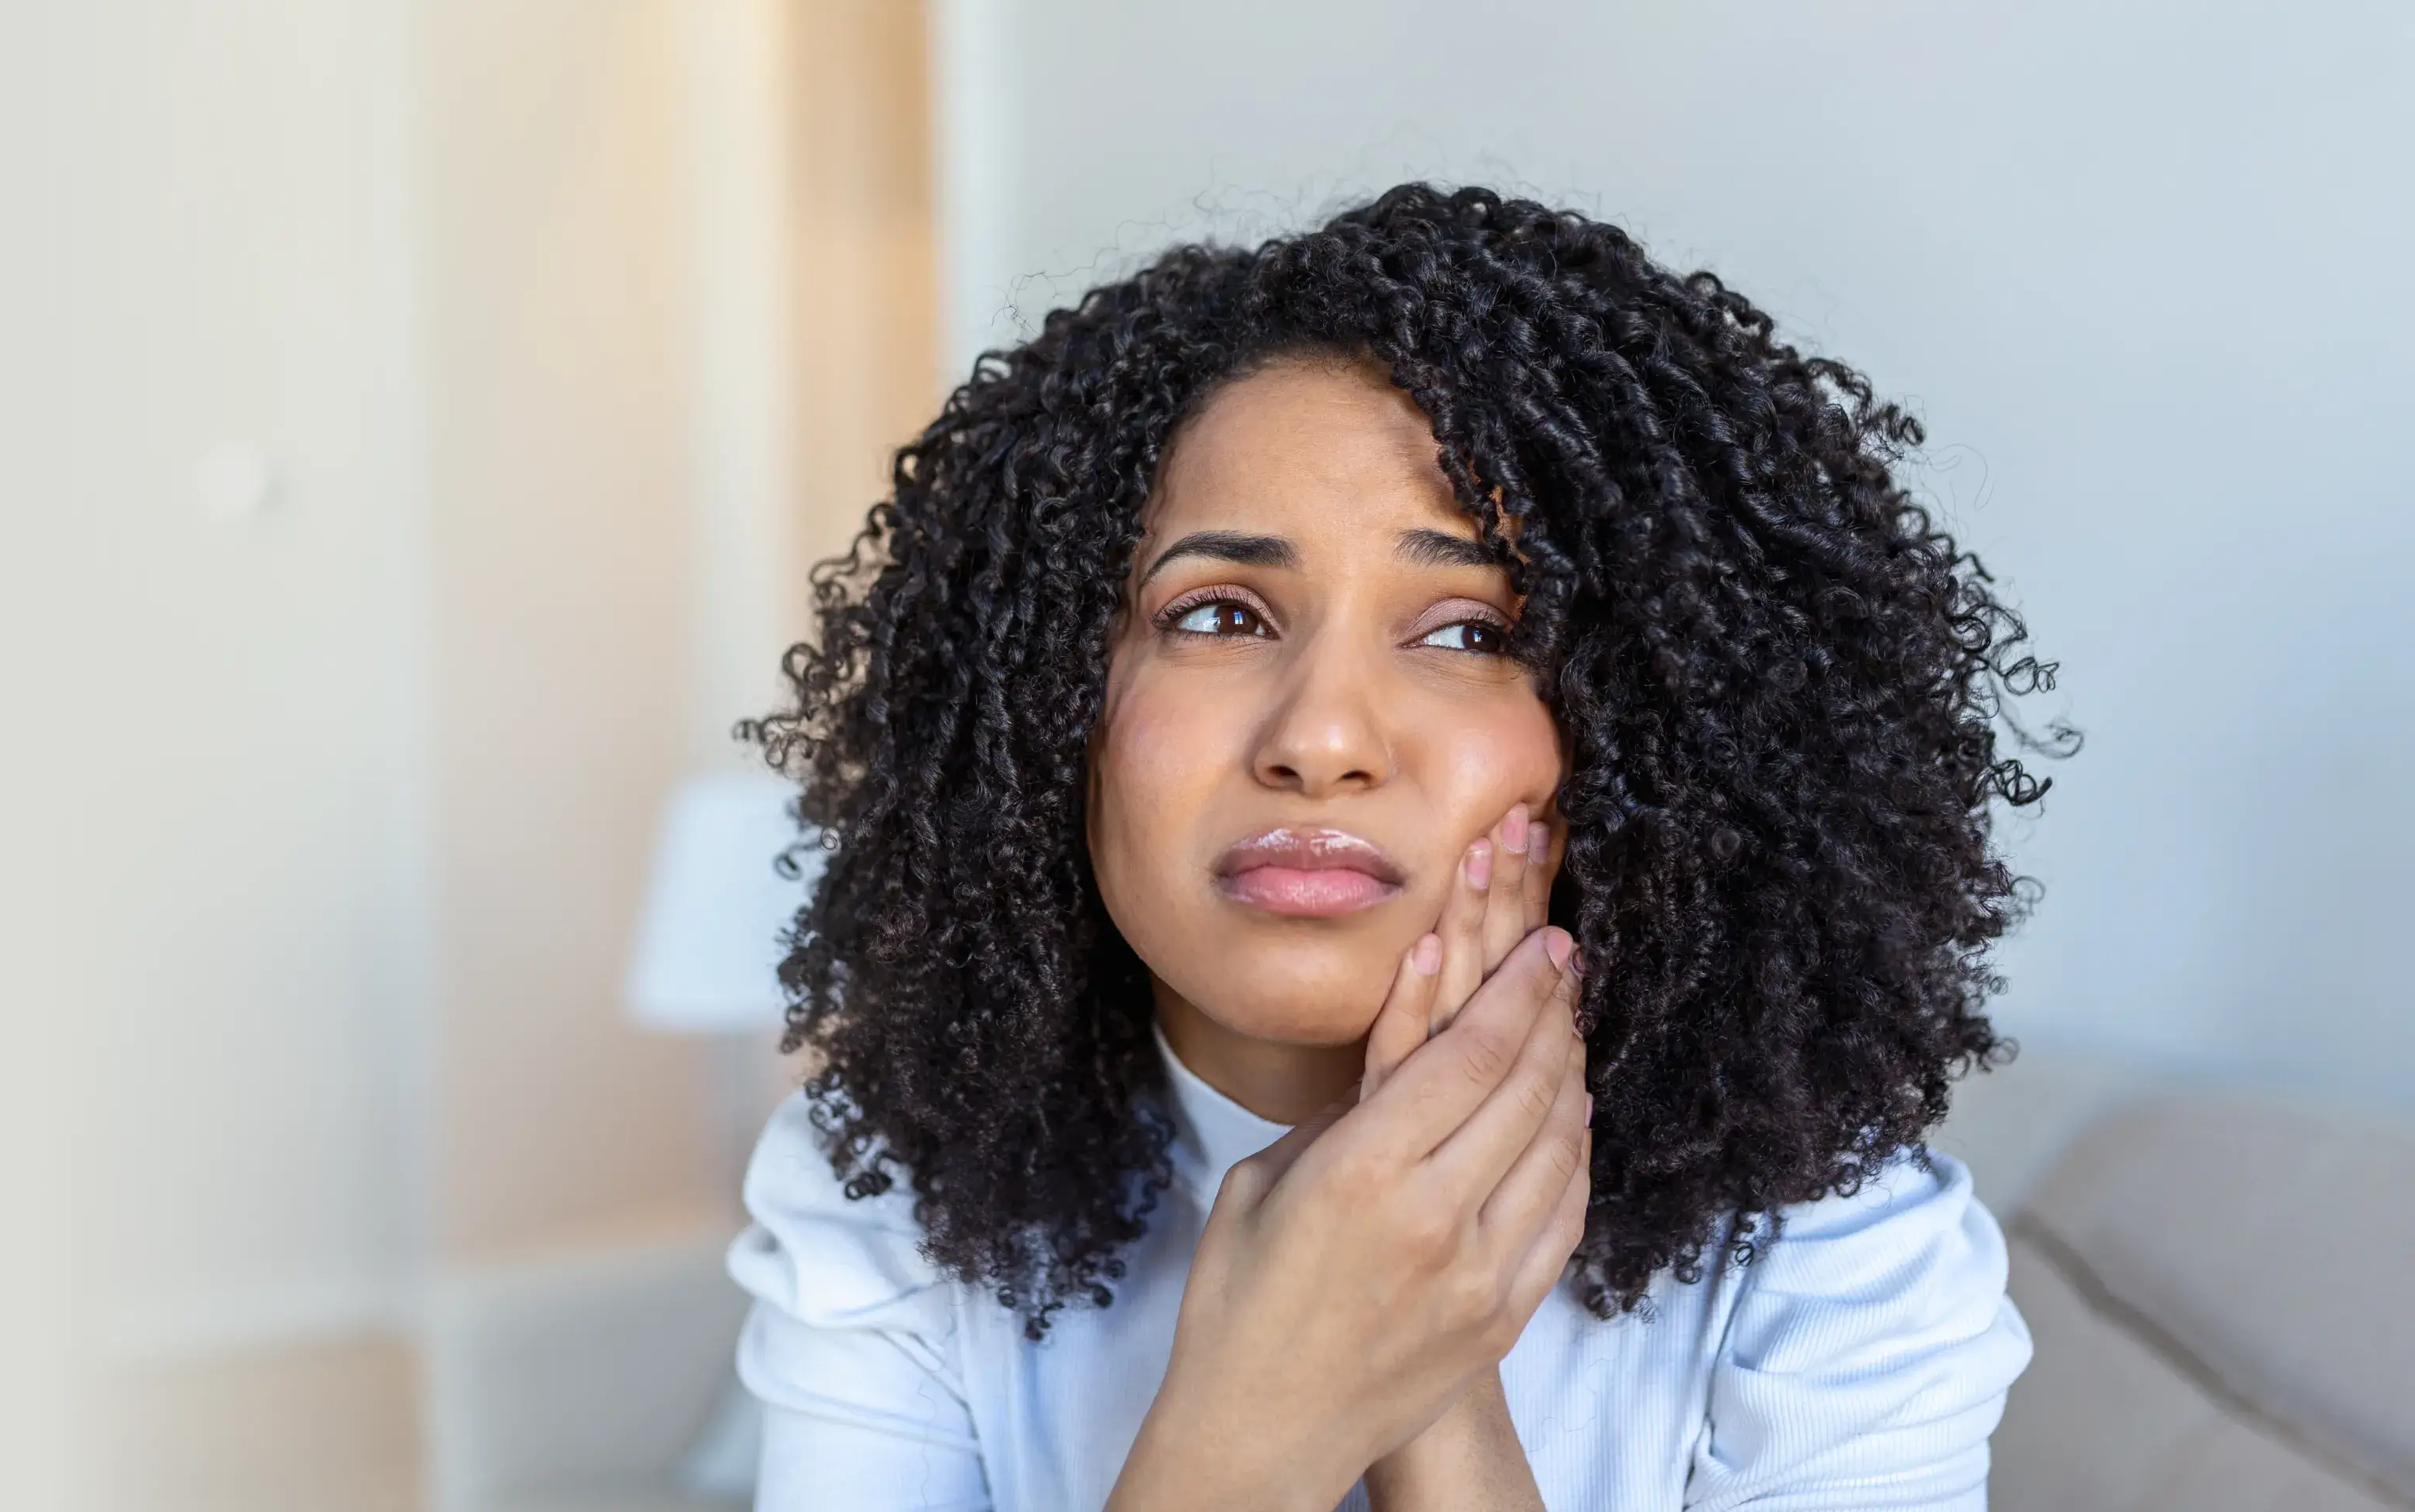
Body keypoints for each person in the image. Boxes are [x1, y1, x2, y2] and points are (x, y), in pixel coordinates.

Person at [728, 183, 2062, 1511]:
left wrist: (1425, 1355)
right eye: (1220, 615)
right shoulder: (890, 1203)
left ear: (1653, 734)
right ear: (1052, 705)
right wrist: (1254, 1422)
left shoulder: (1838, 1265)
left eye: (1472, 633)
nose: (1321, 736)